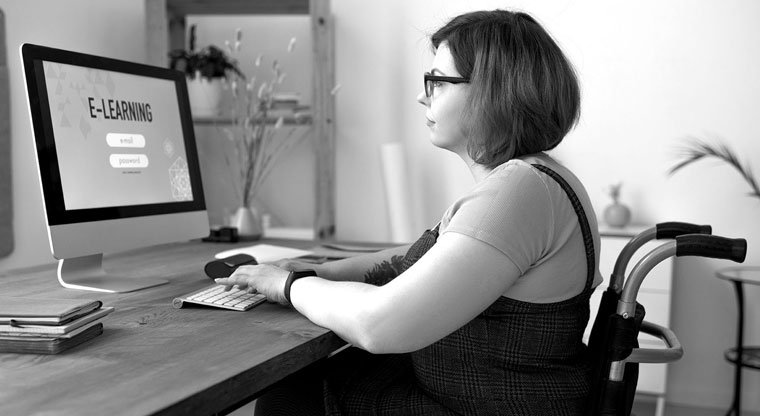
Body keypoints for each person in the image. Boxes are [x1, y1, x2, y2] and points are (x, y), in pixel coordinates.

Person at [215, 9, 601, 416]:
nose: (423, 96)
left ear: (491, 91)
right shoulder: (533, 179)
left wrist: (288, 285)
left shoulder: (521, 190)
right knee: (307, 382)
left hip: (486, 408)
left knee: (293, 392)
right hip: (479, 397)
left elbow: (379, 325)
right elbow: (422, 257)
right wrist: (321, 272)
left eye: (437, 81)